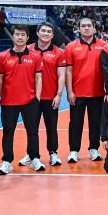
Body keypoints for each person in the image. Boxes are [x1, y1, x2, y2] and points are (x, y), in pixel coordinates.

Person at [0, 25, 44, 175]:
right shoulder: (3, 56)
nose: (20, 37)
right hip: (9, 102)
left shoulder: (35, 56)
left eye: (23, 34)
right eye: (17, 34)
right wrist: (3, 96)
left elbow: (38, 78)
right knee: (8, 132)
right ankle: (7, 161)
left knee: (33, 132)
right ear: (13, 36)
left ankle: (34, 158)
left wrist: (37, 98)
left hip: (30, 101)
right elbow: (0, 79)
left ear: (27, 37)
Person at [64, 17, 107, 163]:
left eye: (89, 25)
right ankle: (74, 151)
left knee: (95, 123)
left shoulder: (103, 46)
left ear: (94, 28)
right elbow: (68, 71)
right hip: (77, 93)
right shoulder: (71, 47)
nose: (87, 28)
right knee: (75, 123)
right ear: (78, 29)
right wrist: (70, 91)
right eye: (83, 26)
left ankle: (93, 149)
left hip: (97, 92)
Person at [23, 22, 65, 167]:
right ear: (38, 33)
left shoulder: (58, 52)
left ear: (52, 35)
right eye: (43, 31)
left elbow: (61, 75)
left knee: (51, 127)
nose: (46, 33)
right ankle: (31, 154)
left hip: (50, 97)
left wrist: (59, 95)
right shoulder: (27, 49)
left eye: (49, 31)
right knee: (31, 128)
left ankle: (53, 153)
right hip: (32, 97)